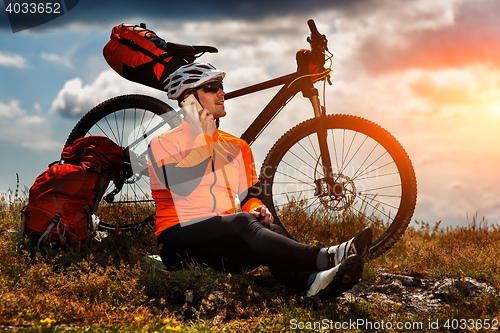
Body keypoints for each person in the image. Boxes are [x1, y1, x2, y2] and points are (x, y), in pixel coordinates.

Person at [148, 62, 373, 299]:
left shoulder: (238, 147)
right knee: (242, 222)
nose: (222, 92)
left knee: (268, 227)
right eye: (212, 87)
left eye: (221, 86)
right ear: (188, 99)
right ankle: (325, 258)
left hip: (222, 246)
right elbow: (182, 187)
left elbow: (250, 198)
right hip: (177, 243)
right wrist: (204, 141)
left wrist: (259, 209)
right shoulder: (163, 143)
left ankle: (312, 282)